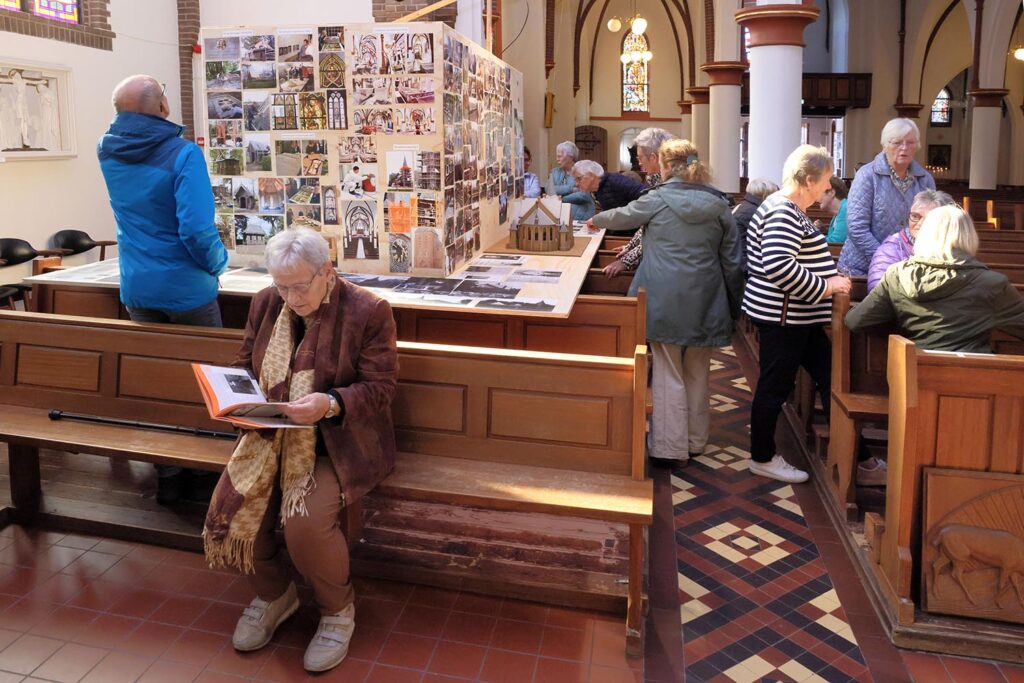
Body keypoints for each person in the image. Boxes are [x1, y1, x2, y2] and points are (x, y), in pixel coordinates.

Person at [205, 228, 398, 674]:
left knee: (304, 523)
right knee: (232, 510)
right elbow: (244, 362)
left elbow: (381, 388)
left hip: (338, 442)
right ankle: (276, 595)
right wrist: (234, 397)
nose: (289, 296)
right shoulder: (265, 302)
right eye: (281, 285)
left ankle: (336, 611)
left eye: (299, 285)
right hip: (270, 436)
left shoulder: (367, 310)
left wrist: (330, 403)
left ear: (326, 272)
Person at [98, 74, 229, 504]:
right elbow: (194, 229)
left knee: (157, 381)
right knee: (208, 382)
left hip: (137, 286)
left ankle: (168, 475)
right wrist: (218, 263)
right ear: (164, 108)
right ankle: (209, 475)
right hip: (187, 288)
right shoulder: (184, 154)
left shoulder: (107, 150)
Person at [590, 140, 744, 463]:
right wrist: (733, 305)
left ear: (664, 164)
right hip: (706, 300)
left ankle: (669, 447)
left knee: (667, 371)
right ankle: (696, 441)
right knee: (698, 372)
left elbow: (621, 216)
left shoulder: (657, 200)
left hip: (662, 300)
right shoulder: (719, 205)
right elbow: (733, 263)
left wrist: (597, 221)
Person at [742, 145, 851, 483]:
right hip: (784, 318)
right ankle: (762, 456)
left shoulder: (790, 209)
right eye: (825, 183)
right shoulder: (783, 211)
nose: (826, 189)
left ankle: (855, 456)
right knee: (774, 386)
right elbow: (779, 267)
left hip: (797, 319)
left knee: (830, 375)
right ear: (808, 179)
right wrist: (828, 286)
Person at [847, 205, 1024, 353]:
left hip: (912, 382)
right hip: (973, 386)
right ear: (969, 236)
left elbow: (855, 321)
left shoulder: (897, 275)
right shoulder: (992, 284)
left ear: (924, 235)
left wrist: (900, 319)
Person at [836, 118, 936, 275]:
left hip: (907, 269)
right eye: (897, 142)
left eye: (910, 142)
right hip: (861, 269)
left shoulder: (925, 179)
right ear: (884, 146)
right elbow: (856, 227)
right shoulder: (868, 176)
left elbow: (931, 225)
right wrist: (885, 258)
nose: (904, 148)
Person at [603, 127, 676, 278]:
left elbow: (659, 234)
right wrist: (630, 246)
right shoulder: (658, 180)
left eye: (640, 157)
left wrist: (628, 260)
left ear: (654, 158)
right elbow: (647, 224)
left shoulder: (667, 185)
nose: (640, 163)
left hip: (667, 266)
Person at [867, 189, 955, 290]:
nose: (920, 223)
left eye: (930, 218)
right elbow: (878, 292)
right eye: (915, 216)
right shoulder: (890, 250)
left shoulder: (952, 249)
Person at [731, 177, 780, 273]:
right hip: (746, 266)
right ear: (765, 194)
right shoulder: (755, 212)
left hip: (737, 261)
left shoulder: (744, 206)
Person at [573, 159, 646, 215]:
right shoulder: (596, 190)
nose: (576, 184)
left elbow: (647, 194)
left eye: (579, 178)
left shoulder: (615, 181)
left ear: (591, 175)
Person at [547, 141, 595, 221]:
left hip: (582, 216)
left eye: (560, 156)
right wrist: (571, 189)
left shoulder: (582, 172)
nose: (557, 159)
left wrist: (560, 198)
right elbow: (549, 190)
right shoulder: (554, 172)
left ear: (571, 156)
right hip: (560, 216)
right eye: (557, 156)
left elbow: (583, 195)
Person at [821, 177, 849, 243]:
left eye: (821, 192)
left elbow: (836, 241)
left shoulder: (846, 209)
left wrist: (810, 240)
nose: (817, 196)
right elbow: (831, 238)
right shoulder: (838, 212)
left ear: (832, 192)